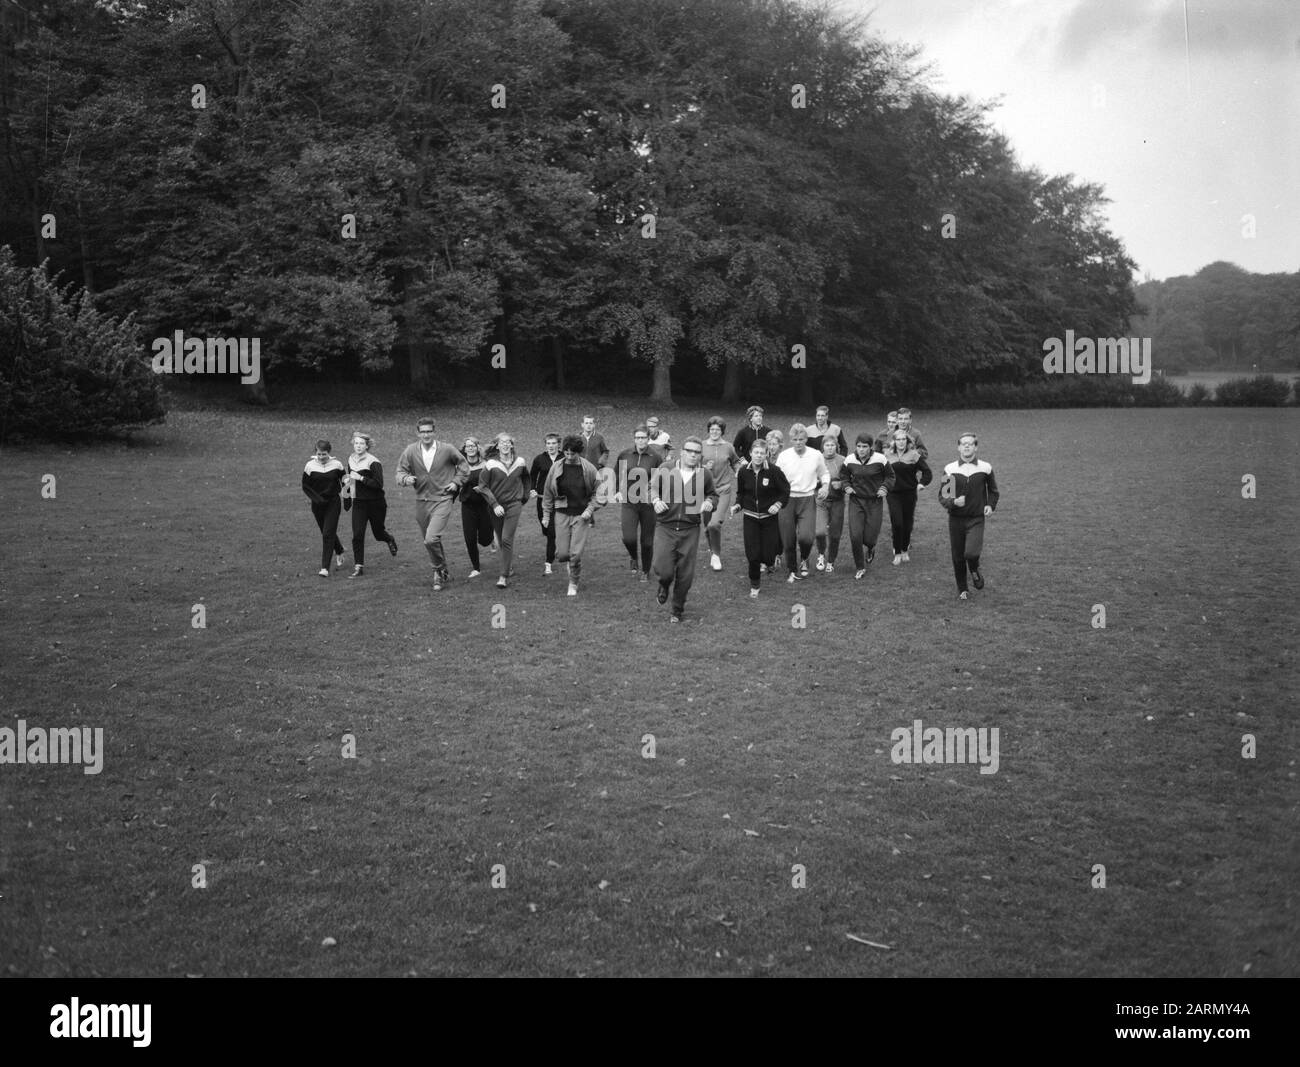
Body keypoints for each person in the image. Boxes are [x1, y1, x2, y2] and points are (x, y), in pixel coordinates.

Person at [395, 417, 470, 592]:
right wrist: (406, 479)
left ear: (434, 432)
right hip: (421, 501)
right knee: (431, 540)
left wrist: (456, 482)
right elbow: (400, 472)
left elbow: (464, 466)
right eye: (423, 432)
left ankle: (437, 572)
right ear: (418, 433)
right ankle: (443, 569)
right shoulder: (411, 451)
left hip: (442, 499)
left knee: (431, 539)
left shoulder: (447, 449)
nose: (426, 434)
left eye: (429, 431)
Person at [650, 436, 718, 622]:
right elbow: (652, 488)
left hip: (690, 529)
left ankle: (676, 610)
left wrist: (709, 502)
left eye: (697, 452)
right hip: (666, 526)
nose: (693, 455)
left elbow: (713, 495)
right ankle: (664, 584)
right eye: (690, 451)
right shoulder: (666, 468)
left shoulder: (705, 475)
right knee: (663, 569)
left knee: (686, 574)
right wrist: (655, 500)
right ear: (682, 452)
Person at [938, 431, 1000, 600]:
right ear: (958, 447)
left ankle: (974, 568)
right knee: (958, 556)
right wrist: (953, 503)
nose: (966, 446)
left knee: (971, 553)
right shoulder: (950, 469)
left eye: (970, 443)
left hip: (976, 519)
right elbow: (943, 496)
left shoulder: (985, 468)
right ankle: (962, 588)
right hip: (956, 520)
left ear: (976, 447)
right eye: (963, 443)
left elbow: (993, 492)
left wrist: (990, 505)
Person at [542, 435, 604, 596]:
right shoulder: (556, 467)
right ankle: (570, 562)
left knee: (575, 554)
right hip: (562, 513)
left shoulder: (589, 469)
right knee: (563, 554)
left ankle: (573, 583)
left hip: (581, 515)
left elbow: (600, 493)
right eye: (567, 453)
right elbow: (548, 491)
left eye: (572, 454)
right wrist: (546, 514)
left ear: (579, 452)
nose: (569, 457)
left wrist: (590, 510)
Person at [731, 438, 790, 597]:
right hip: (750, 517)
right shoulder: (743, 472)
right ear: (750, 453)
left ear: (766, 454)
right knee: (753, 555)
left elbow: (785, 491)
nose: (758, 456)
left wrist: (777, 504)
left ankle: (773, 558)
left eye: (762, 453)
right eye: (756, 453)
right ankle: (755, 585)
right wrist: (737, 505)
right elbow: (741, 493)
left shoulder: (774, 471)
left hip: (768, 518)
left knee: (768, 555)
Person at [775, 424, 829, 581]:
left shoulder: (816, 454)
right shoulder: (784, 456)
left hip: (807, 498)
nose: (798, 442)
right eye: (795, 439)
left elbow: (824, 473)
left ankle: (804, 558)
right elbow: (776, 477)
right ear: (790, 440)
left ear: (806, 439)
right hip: (787, 499)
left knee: (806, 537)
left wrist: (825, 486)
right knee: (788, 538)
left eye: (801, 439)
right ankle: (792, 569)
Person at [477, 433, 530, 588]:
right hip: (496, 507)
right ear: (497, 446)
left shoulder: (520, 462)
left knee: (507, 539)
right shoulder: (491, 464)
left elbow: (526, 478)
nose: (506, 445)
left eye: (508, 442)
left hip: (514, 505)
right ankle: (509, 566)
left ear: (512, 445)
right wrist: (494, 504)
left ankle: (503, 576)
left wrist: (524, 497)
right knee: (501, 540)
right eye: (502, 442)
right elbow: (482, 486)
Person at [343, 431, 397, 578]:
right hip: (359, 503)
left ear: (367, 446)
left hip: (376, 503)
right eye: (356, 443)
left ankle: (389, 539)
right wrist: (346, 495)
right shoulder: (351, 459)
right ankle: (358, 567)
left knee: (378, 533)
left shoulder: (373, 462)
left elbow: (378, 484)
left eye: (361, 443)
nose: (358, 446)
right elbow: (350, 480)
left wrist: (360, 477)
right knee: (357, 535)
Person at [842, 432, 896, 579]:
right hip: (856, 501)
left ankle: (871, 548)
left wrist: (884, 488)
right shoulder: (849, 460)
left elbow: (891, 476)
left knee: (870, 538)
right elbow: (844, 477)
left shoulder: (881, 459)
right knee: (855, 536)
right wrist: (847, 486)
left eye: (864, 446)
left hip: (874, 501)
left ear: (870, 447)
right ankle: (860, 567)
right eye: (859, 446)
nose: (861, 449)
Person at [613, 426, 662, 582]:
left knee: (647, 542)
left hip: (648, 504)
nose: (640, 440)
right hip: (629, 503)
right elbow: (615, 474)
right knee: (629, 538)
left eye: (643, 437)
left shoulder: (655, 457)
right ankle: (633, 557)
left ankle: (646, 571)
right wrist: (617, 491)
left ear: (648, 438)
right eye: (638, 438)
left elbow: (661, 481)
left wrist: (657, 498)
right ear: (634, 439)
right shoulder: (625, 454)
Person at [883, 427, 932, 565]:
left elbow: (927, 472)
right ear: (894, 441)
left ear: (908, 440)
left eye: (903, 439)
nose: (901, 442)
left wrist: (922, 483)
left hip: (909, 494)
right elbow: (880, 473)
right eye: (898, 439)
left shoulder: (914, 455)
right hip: (893, 494)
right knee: (897, 523)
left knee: (907, 524)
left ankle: (905, 549)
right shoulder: (887, 456)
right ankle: (897, 552)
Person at [301, 439, 347, 577]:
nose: (321, 457)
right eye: (319, 454)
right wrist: (317, 499)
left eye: (324, 454)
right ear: (316, 452)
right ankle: (339, 550)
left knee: (327, 534)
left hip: (333, 503)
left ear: (329, 452)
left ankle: (324, 568)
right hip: (317, 505)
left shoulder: (337, 465)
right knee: (327, 532)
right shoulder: (309, 466)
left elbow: (346, 481)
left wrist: (348, 498)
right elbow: (305, 486)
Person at [700, 416, 739, 572]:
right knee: (707, 526)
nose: (714, 432)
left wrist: (738, 471)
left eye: (717, 429)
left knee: (714, 524)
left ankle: (716, 555)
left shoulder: (728, 446)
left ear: (722, 431)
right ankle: (713, 552)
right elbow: (691, 464)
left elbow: (735, 461)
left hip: (723, 490)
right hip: (706, 492)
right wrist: (703, 466)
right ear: (709, 430)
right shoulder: (701, 446)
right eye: (712, 429)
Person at [459, 436, 495, 578]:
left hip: (484, 504)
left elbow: (492, 482)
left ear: (477, 448)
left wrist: (483, 488)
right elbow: (456, 482)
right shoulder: (460, 465)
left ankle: (491, 539)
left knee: (484, 540)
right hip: (467, 505)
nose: (470, 448)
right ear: (464, 449)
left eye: (473, 446)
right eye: (468, 446)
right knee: (470, 537)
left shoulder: (486, 464)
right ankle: (476, 568)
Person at [529, 433, 562, 575]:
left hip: (560, 501)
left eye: (554, 443)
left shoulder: (564, 458)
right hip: (542, 500)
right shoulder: (539, 459)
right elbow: (532, 476)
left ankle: (548, 563)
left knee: (551, 533)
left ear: (558, 445)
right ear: (545, 445)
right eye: (548, 443)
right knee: (545, 529)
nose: (551, 446)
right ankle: (553, 541)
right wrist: (532, 489)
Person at [814, 434, 847, 573]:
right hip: (821, 501)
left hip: (837, 502)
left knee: (835, 534)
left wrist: (841, 484)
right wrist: (818, 484)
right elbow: (809, 478)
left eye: (832, 445)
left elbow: (850, 480)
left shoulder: (843, 461)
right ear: (823, 446)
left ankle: (831, 561)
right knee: (820, 532)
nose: (830, 448)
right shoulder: (816, 459)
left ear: (836, 447)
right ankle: (821, 554)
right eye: (827, 445)